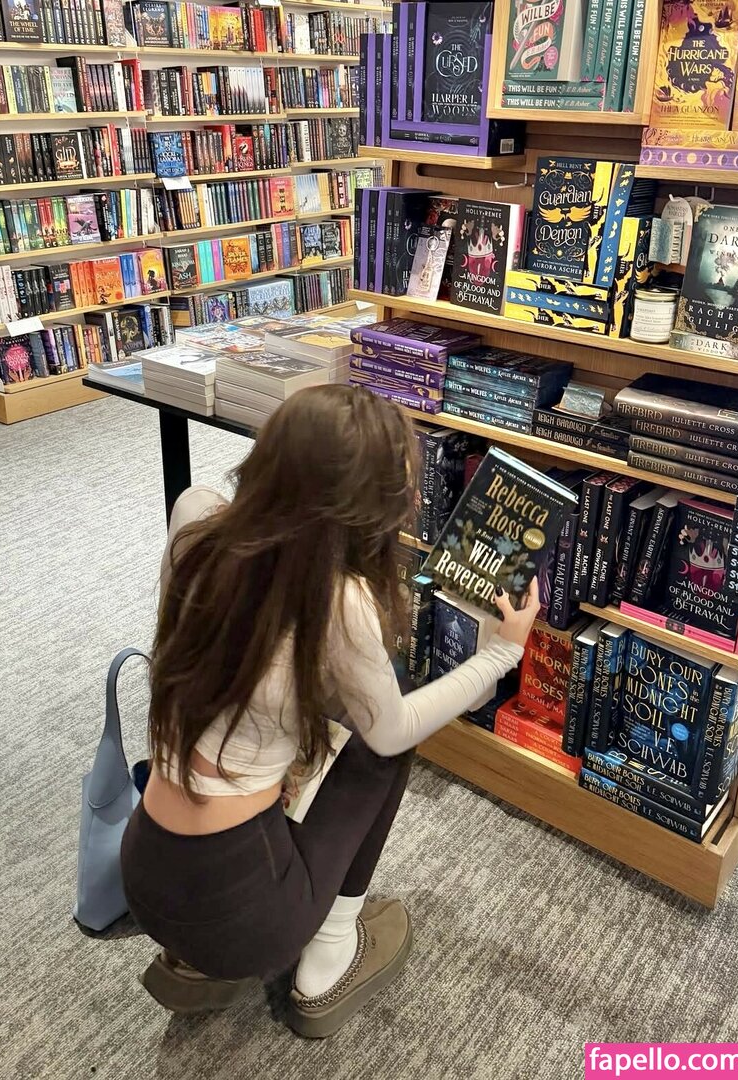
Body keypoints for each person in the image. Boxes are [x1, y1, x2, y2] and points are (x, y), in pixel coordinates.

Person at [120, 384, 538, 1039]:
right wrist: (502, 654)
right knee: (382, 740)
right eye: (401, 488)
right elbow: (392, 729)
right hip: (249, 913)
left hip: (144, 871)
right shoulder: (340, 602)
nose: (414, 500)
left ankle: (195, 959)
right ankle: (327, 958)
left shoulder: (195, 519)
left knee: (316, 731)